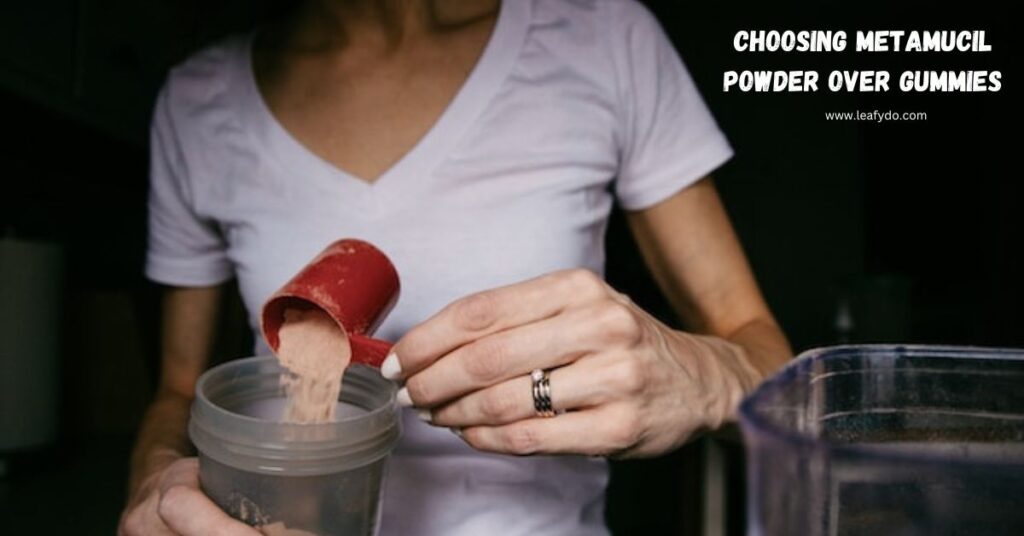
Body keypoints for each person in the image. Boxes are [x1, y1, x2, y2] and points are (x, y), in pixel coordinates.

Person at [118, 0, 792, 534]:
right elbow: (179, 391)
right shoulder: (197, 102)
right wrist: (156, 480)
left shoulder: (605, 37)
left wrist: (705, 377)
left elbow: (762, 351)